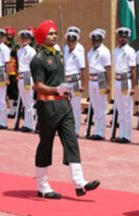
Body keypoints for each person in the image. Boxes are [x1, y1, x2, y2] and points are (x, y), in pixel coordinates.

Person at [30, 20, 99, 199]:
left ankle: (79, 182)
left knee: (71, 141)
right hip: (48, 106)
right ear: (42, 37)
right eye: (50, 33)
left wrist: (65, 89)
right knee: (46, 144)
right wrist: (56, 89)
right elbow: (38, 86)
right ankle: (42, 185)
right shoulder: (38, 59)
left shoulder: (59, 54)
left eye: (54, 33)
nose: (54, 35)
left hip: (64, 105)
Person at [111, 27, 136, 143]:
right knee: (120, 108)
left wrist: (134, 87)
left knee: (127, 109)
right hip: (117, 79)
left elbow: (133, 69)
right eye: (121, 37)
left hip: (126, 80)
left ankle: (127, 135)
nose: (123, 39)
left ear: (128, 37)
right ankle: (121, 134)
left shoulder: (130, 51)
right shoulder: (115, 51)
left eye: (125, 37)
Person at [86, 28, 111, 140]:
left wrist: (108, 84)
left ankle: (100, 132)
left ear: (101, 40)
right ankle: (96, 130)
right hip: (92, 79)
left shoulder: (104, 51)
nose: (96, 41)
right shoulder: (90, 52)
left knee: (101, 106)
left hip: (101, 79)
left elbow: (108, 68)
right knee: (95, 107)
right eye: (94, 40)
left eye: (98, 40)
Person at [63, 27, 86, 137]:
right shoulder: (65, 50)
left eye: (72, 41)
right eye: (69, 41)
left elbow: (82, 69)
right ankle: (66, 128)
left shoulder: (79, 52)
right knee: (64, 106)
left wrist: (83, 84)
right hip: (66, 81)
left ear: (76, 41)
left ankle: (76, 130)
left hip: (76, 81)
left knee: (76, 106)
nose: (70, 43)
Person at [16, 29, 37, 132]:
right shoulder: (19, 50)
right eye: (23, 38)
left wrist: (35, 80)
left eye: (26, 39)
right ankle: (27, 123)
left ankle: (30, 125)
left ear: (30, 40)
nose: (24, 40)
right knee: (25, 102)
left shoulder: (31, 51)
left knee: (29, 101)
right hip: (21, 76)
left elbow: (34, 66)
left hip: (28, 76)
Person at [0, 28, 10, 129]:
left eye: (0, 37)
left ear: (3, 37)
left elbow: (7, 64)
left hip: (0, 71)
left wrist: (7, 78)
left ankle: (3, 122)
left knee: (1, 98)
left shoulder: (5, 48)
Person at [5, 26, 20, 118]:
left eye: (10, 34)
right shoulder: (5, 45)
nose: (8, 36)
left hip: (14, 71)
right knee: (9, 91)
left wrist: (18, 72)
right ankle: (11, 110)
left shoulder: (16, 45)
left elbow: (18, 59)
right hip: (7, 72)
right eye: (7, 34)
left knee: (15, 91)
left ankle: (16, 110)